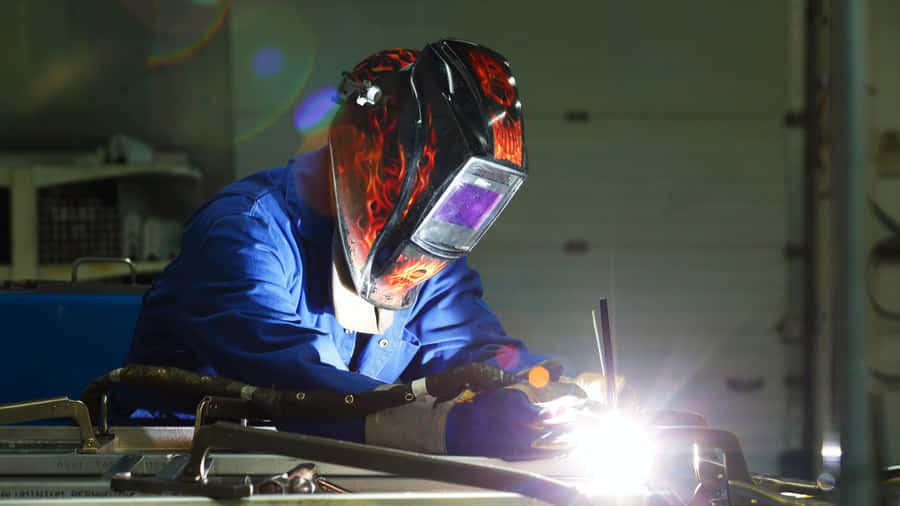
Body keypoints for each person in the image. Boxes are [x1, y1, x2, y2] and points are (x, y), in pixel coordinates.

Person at [114, 39, 613, 459]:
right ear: (367, 154)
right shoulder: (243, 233)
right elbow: (290, 386)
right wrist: (448, 428)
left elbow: (474, 350)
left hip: (326, 473)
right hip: (174, 467)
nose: (433, 233)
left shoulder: (421, 257)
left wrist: (541, 386)